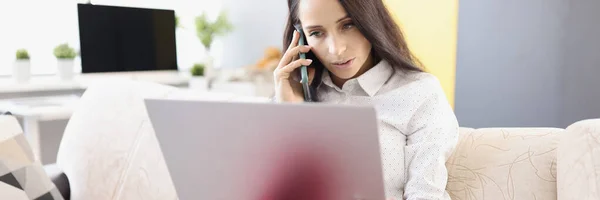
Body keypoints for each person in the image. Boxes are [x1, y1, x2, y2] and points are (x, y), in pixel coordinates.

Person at [273, 0, 459, 199]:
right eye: (316, 33)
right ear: (300, 39)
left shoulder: (419, 93)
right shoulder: (293, 96)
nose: (336, 49)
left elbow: (426, 194)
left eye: (348, 25)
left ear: (370, 20)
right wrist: (290, 113)